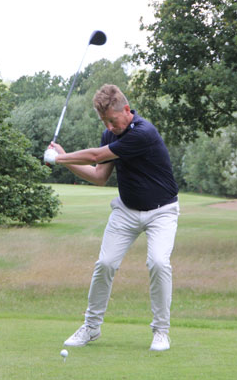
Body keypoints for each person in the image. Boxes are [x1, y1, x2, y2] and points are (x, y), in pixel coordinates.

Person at [43, 84, 179, 351]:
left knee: (158, 263)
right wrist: (65, 160)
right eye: (104, 121)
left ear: (126, 110)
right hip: (127, 210)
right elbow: (98, 176)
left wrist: (59, 159)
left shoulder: (143, 132)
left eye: (113, 120)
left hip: (162, 211)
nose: (109, 127)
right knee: (105, 263)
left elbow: (96, 155)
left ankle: (161, 331)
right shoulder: (110, 134)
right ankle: (91, 327)